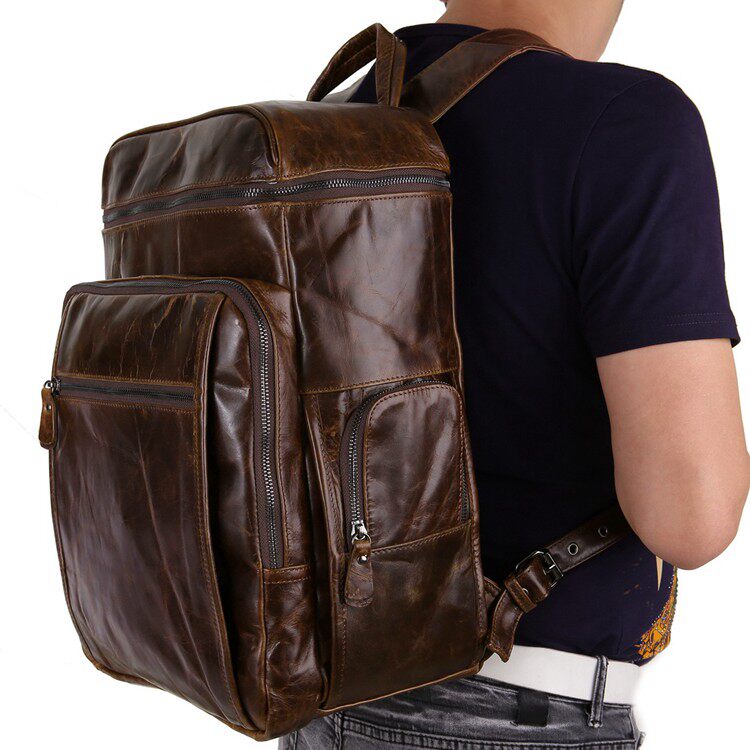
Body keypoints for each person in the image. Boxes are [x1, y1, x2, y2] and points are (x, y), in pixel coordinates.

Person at [283, 1, 750, 747]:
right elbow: (691, 519)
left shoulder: (339, 116)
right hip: (519, 711)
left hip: (325, 700)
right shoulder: (629, 123)